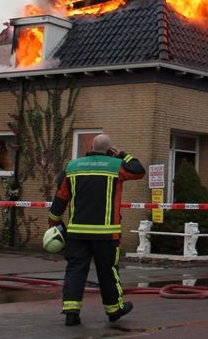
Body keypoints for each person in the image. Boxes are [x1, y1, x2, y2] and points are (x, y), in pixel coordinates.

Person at [49, 134, 146, 326]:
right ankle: (114, 310)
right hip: (106, 234)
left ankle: (71, 311)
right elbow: (139, 170)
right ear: (110, 150)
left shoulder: (72, 167)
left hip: (77, 234)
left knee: (75, 270)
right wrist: (123, 155)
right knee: (108, 272)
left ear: (91, 146)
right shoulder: (115, 166)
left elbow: (61, 198)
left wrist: (54, 223)